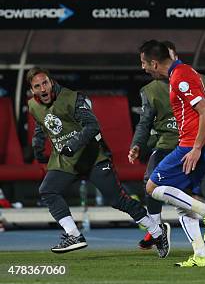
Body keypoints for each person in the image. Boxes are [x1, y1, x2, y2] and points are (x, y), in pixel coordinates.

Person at [27, 67, 169, 257]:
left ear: (51, 82)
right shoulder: (33, 106)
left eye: (45, 83)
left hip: (93, 156)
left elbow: (92, 125)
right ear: (32, 90)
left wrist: (74, 144)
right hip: (67, 161)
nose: (43, 88)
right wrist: (37, 148)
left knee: (117, 200)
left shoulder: (71, 98)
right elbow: (41, 125)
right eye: (37, 86)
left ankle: (157, 231)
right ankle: (74, 235)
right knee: (47, 190)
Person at [129, 41, 205, 255]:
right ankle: (200, 254)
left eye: (144, 63)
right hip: (195, 144)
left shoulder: (180, 77)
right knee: (184, 201)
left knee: (152, 187)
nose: (143, 68)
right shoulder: (184, 72)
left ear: (154, 63)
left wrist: (195, 148)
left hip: (191, 146)